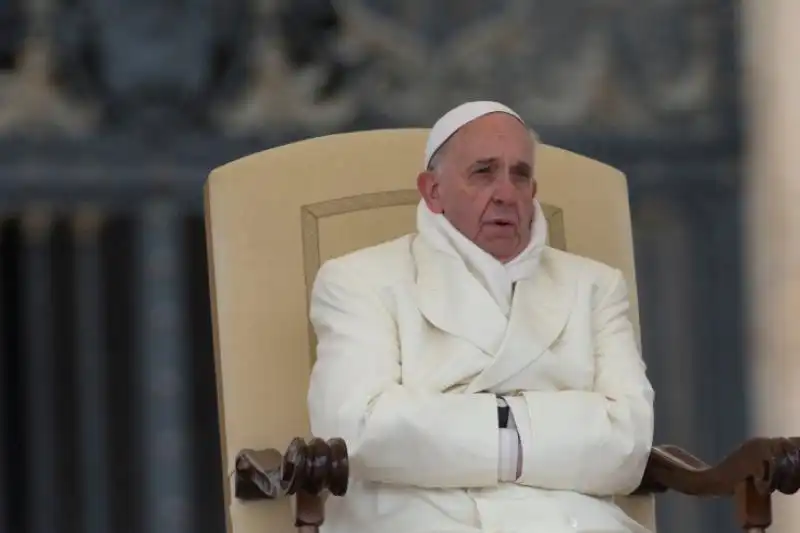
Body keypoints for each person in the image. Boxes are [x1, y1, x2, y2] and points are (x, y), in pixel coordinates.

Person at [306, 101, 655, 533]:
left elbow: (629, 444)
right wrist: (548, 433)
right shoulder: (358, 280)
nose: (506, 192)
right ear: (433, 191)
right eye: (484, 172)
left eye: (520, 174)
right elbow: (358, 433)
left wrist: (448, 429)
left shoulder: (596, 287)